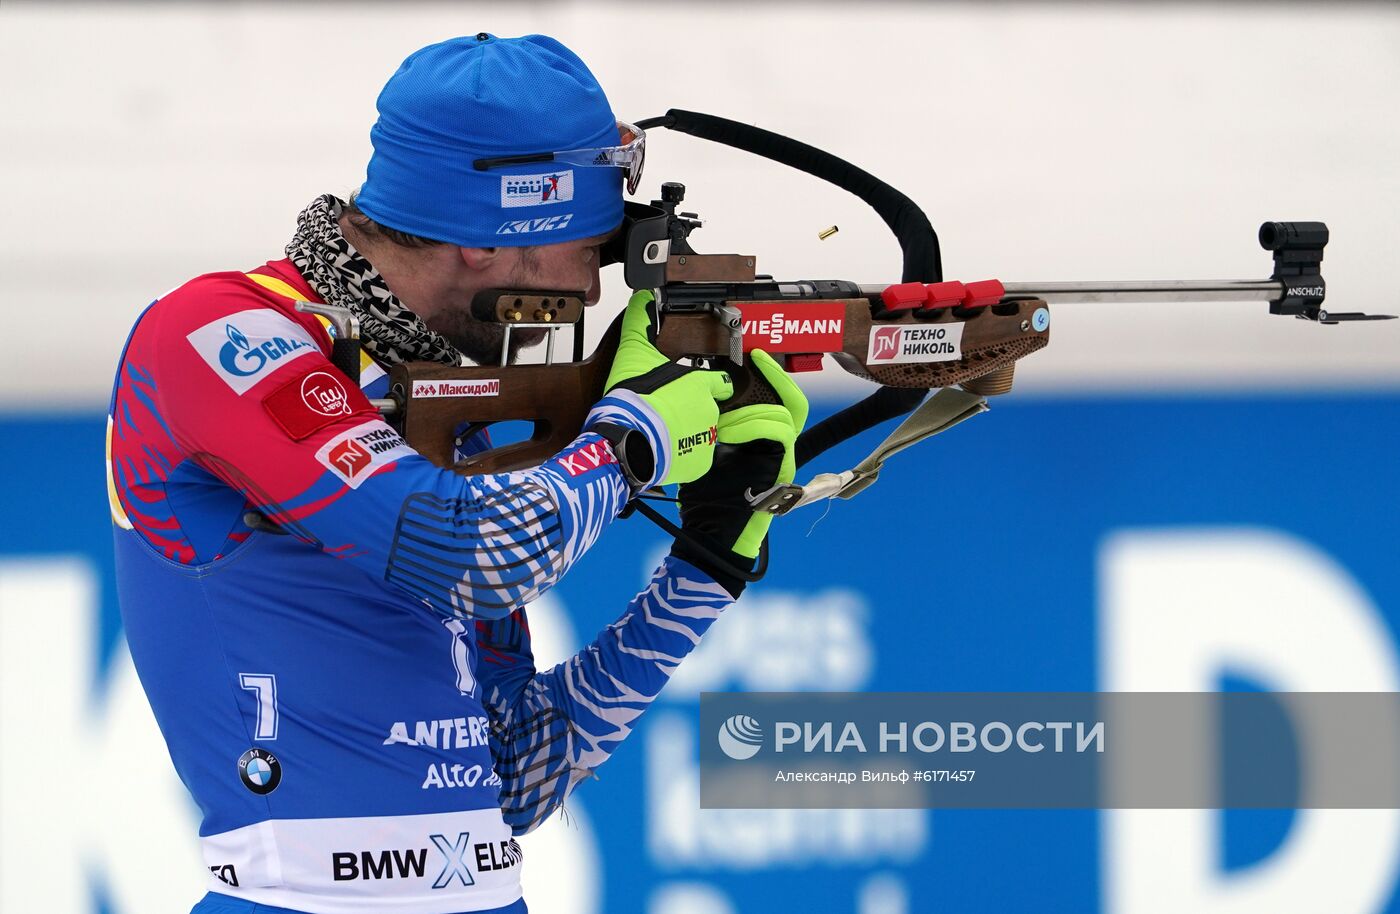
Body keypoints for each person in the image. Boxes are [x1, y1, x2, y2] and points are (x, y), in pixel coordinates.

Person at [106, 33, 807, 914]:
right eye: (591, 248)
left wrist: (704, 569)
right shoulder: (216, 331)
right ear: (486, 236)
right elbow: (474, 551)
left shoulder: (451, 409)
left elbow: (515, 778)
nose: (594, 293)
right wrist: (635, 434)